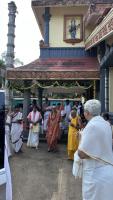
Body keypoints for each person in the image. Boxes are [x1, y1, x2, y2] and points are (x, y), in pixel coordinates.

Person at [78, 99, 113, 200]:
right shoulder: (107, 124)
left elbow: (81, 153)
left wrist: (80, 139)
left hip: (96, 174)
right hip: (108, 170)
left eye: (84, 111)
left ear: (87, 113)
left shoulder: (91, 126)